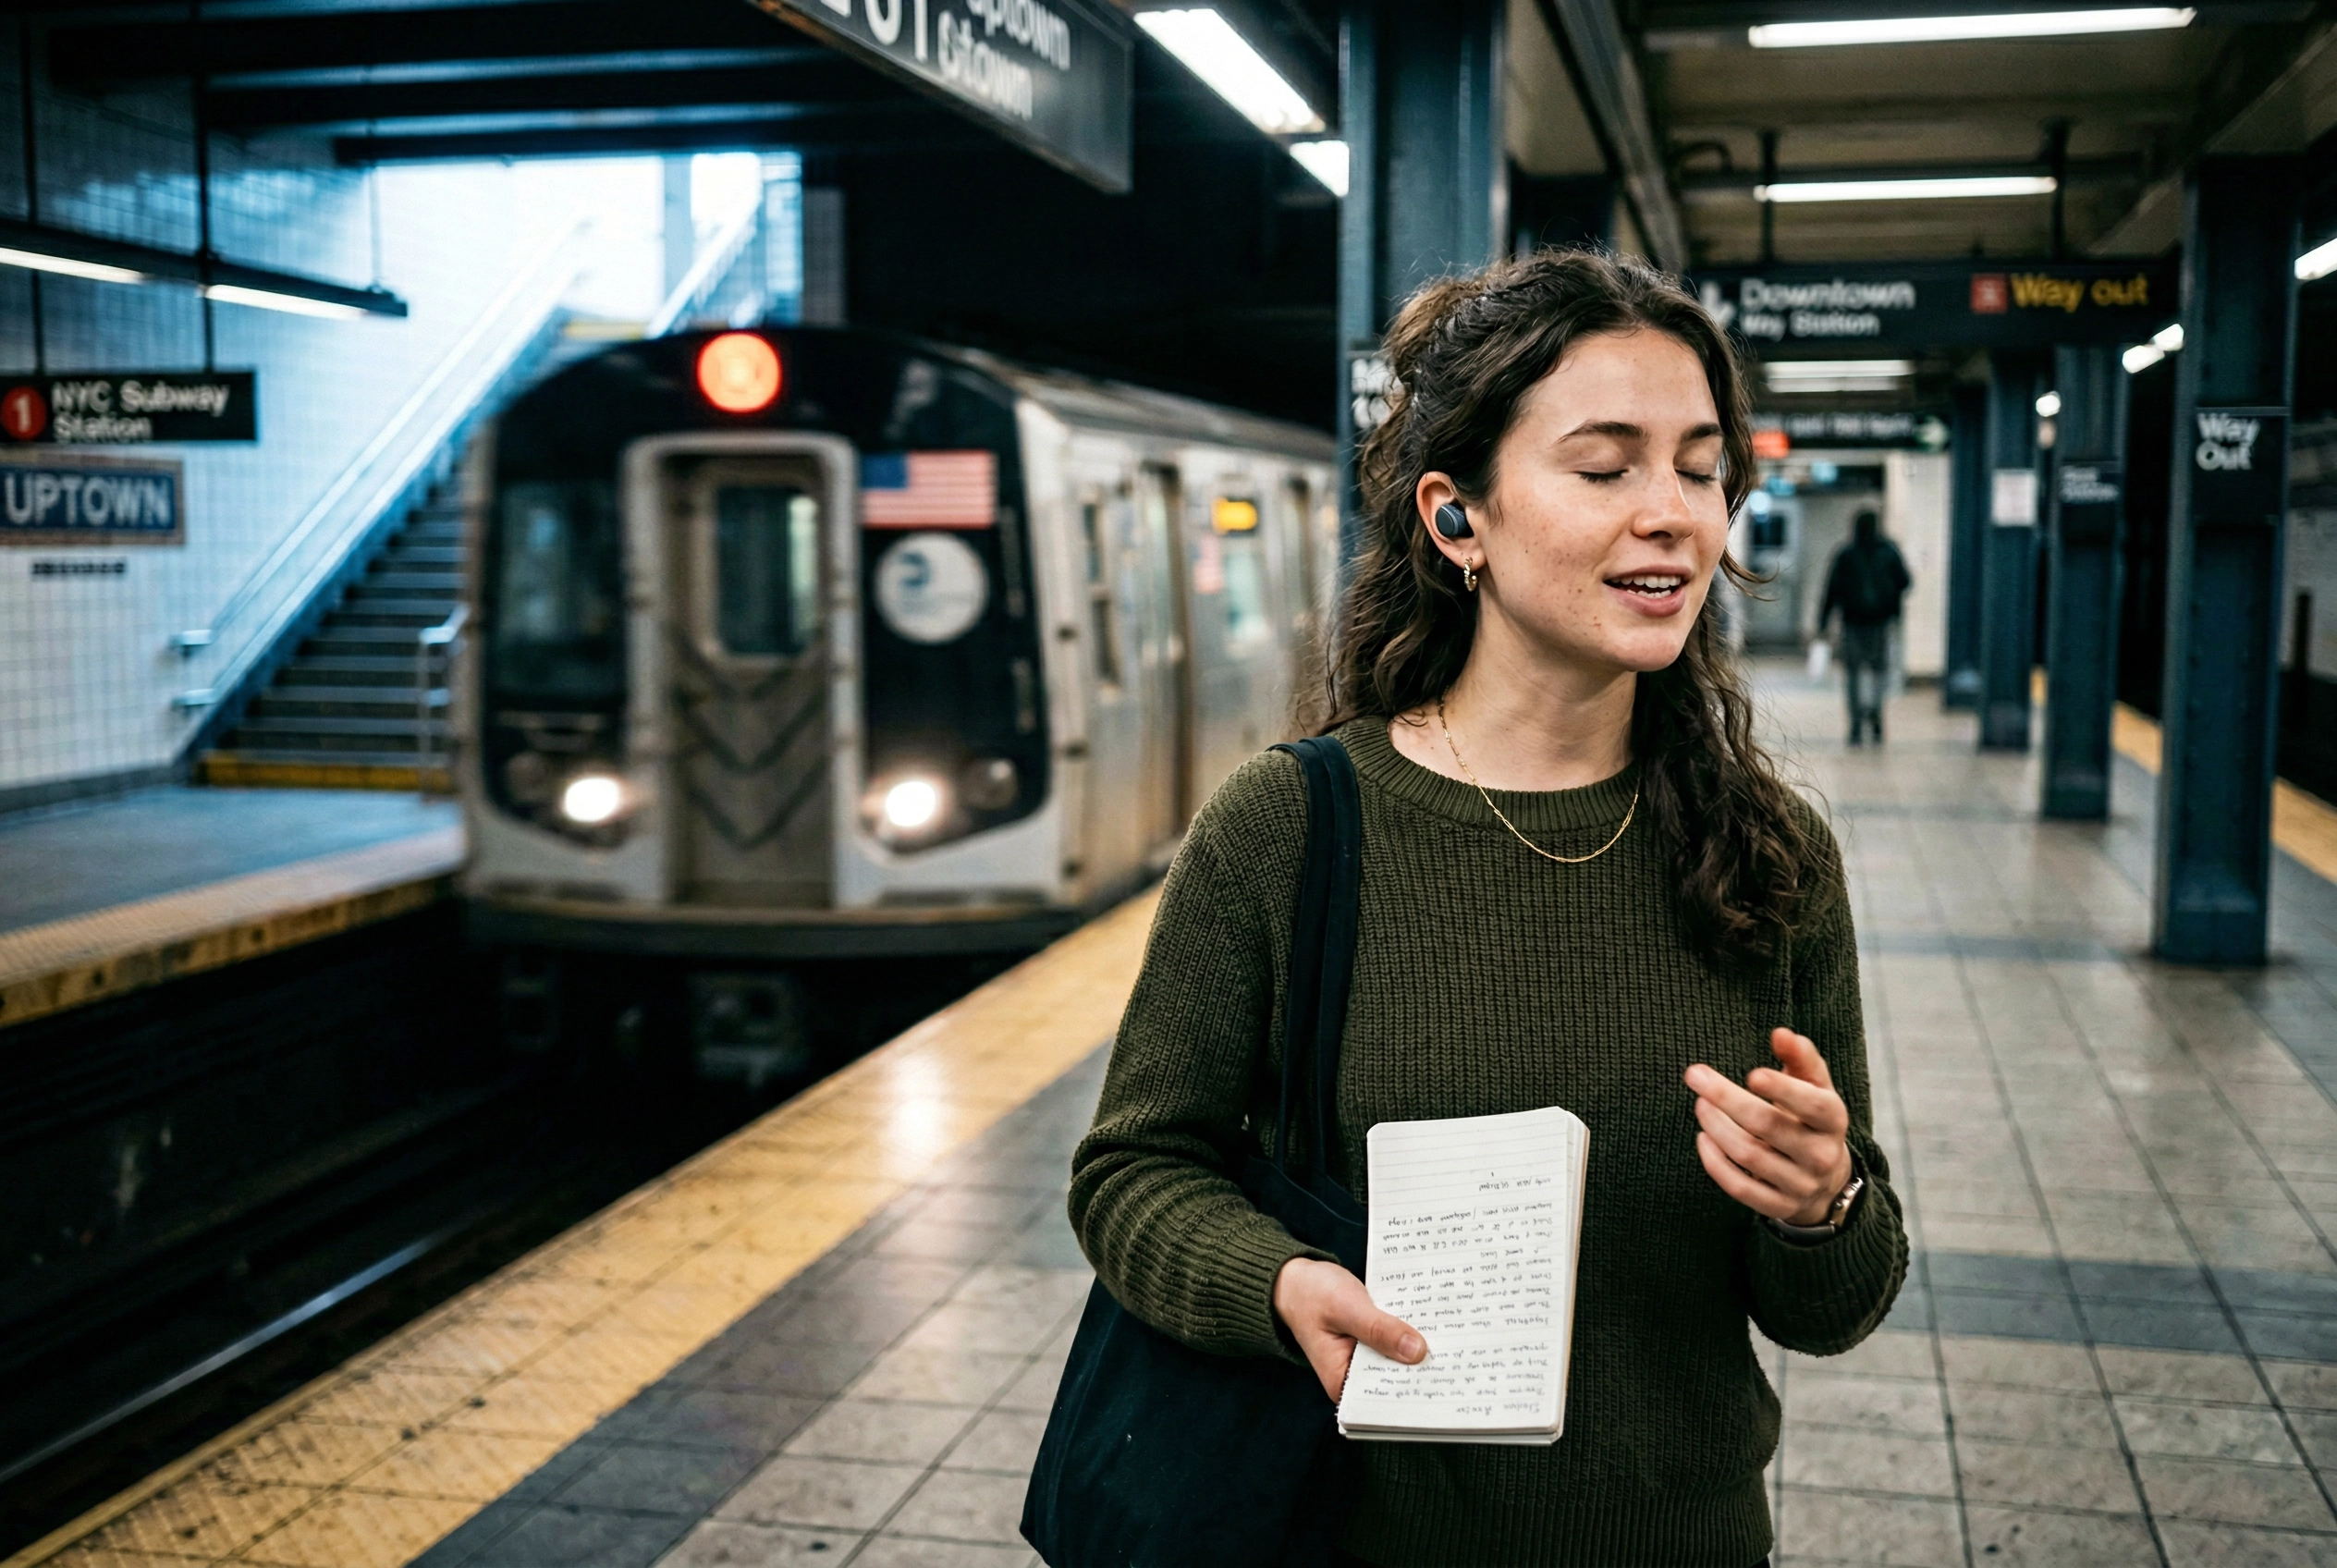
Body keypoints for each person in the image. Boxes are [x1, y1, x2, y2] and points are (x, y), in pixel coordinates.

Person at [1070, 249, 1905, 1568]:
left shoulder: (1767, 854)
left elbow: (1832, 1309)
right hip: (1344, 1540)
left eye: (1700, 467)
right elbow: (1131, 1170)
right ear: (1458, 520)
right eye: (1605, 465)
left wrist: (1824, 1205)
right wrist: (1276, 1284)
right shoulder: (1289, 830)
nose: (1675, 514)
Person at [1817, 508, 1911, 746]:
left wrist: (1823, 621)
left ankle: (1856, 724)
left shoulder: (1846, 554)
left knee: (1853, 674)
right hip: (1881, 622)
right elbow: (1906, 581)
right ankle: (1876, 713)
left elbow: (1831, 589)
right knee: (1879, 671)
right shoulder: (1889, 551)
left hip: (1852, 622)